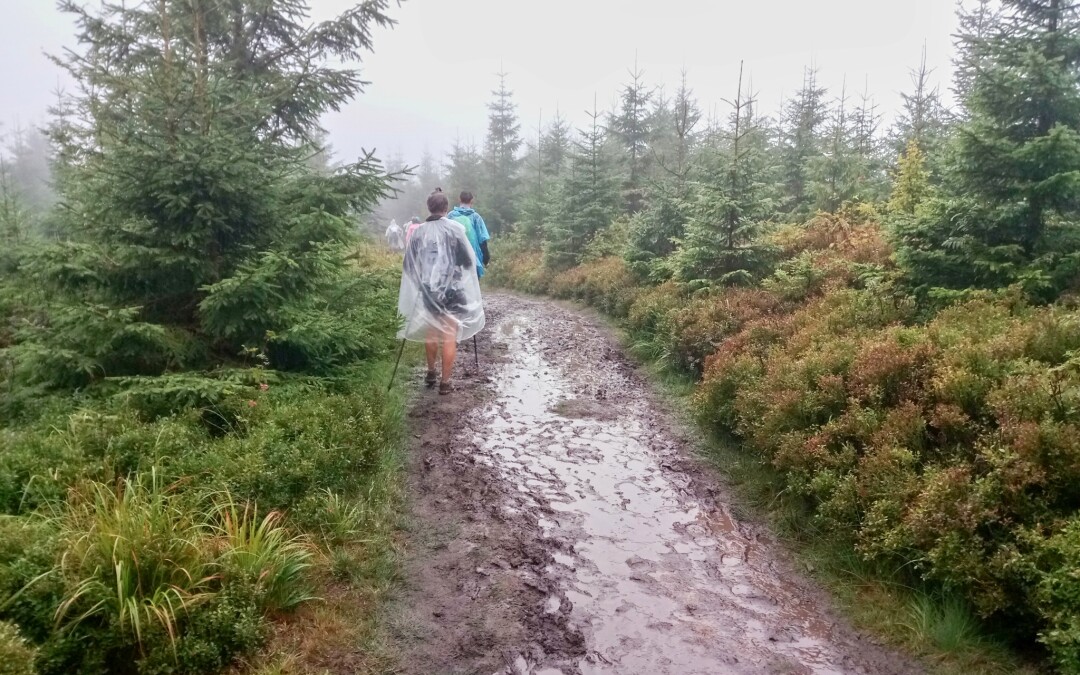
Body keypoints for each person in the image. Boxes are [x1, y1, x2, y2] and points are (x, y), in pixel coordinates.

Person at [398, 191, 485, 395]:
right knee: (448, 335)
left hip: (429, 291)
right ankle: (445, 383)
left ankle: (430, 372)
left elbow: (408, 264)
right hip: (452, 291)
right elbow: (467, 261)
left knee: (431, 330)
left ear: (430, 208)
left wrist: (421, 281)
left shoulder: (419, 232)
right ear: (446, 209)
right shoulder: (455, 230)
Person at [448, 191, 491, 278]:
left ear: (459, 199)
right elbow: (482, 240)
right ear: (472, 201)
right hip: (472, 258)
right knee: (473, 287)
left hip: (454, 259)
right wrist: (486, 260)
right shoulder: (476, 217)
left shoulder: (451, 216)